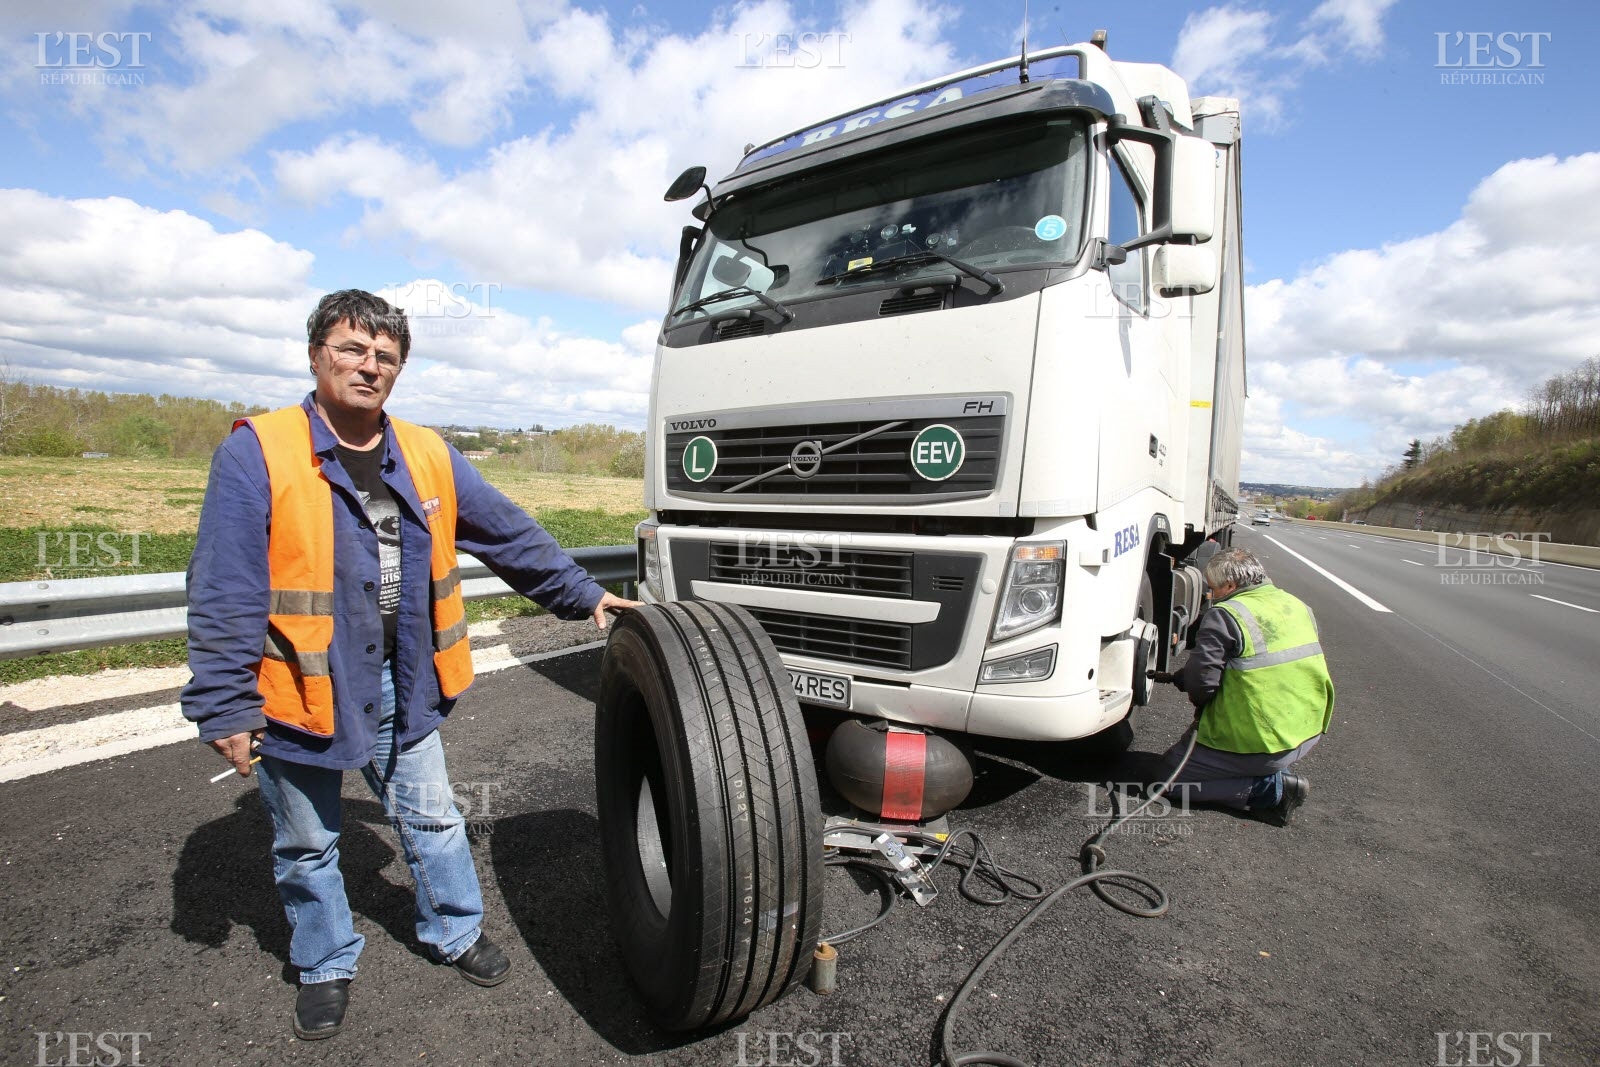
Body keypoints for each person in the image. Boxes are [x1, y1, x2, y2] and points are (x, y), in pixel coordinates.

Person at [182, 289, 640, 1041]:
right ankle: (325, 960)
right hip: (298, 687)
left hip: (403, 676)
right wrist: (226, 702)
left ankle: (454, 930)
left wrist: (584, 594)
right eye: (353, 349)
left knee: (432, 815)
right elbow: (224, 584)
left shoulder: (427, 452)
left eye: (386, 356)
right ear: (316, 354)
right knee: (307, 842)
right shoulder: (257, 450)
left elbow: (508, 534)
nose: (370, 365)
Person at [1150, 547, 1332, 827]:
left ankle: (1273, 789)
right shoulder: (1296, 604)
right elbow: (1259, 664)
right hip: (1304, 731)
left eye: (1213, 589)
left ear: (1231, 586)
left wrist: (1199, 700)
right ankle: (1268, 773)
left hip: (1261, 741)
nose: (1211, 596)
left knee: (1166, 783)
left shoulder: (1226, 615)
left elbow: (1203, 683)